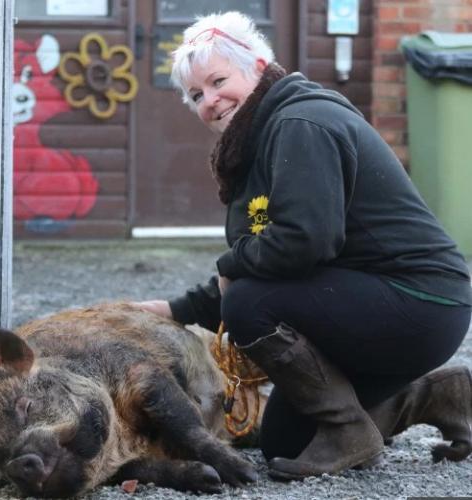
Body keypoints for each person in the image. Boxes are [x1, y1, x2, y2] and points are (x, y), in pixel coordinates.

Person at [136, 11, 472, 481]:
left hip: (419, 301)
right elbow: (266, 261)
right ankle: (431, 395)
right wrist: (176, 309)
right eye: (197, 95)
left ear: (255, 64)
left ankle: (346, 426)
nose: (210, 101)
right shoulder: (255, 143)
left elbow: (301, 243)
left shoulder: (300, 121)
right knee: (285, 443)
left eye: (217, 80)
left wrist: (230, 269)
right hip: (378, 302)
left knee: (249, 302)